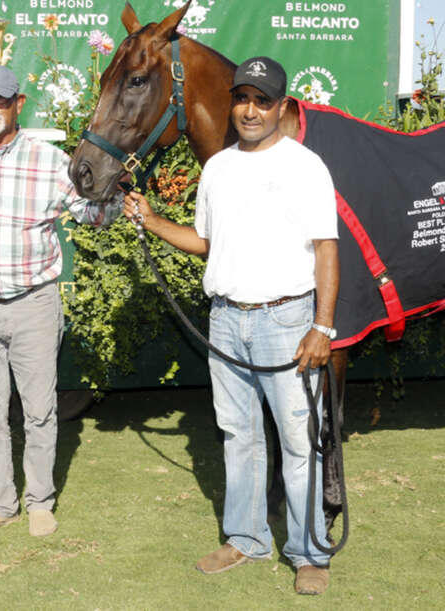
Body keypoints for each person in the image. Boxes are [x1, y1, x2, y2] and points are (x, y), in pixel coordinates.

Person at [123, 56, 340, 595]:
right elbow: (206, 244)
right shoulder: (217, 167)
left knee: (298, 442)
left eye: (262, 100)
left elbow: (327, 250)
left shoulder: (305, 165)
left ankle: (309, 552)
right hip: (226, 321)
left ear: (281, 107)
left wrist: (323, 327)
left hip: (288, 321)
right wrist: (151, 220)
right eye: (242, 97)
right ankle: (246, 539)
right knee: (238, 437)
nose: (249, 109)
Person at [0, 64, 122, 539]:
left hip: (33, 303)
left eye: (0, 99)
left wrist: (118, 197)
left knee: (38, 410)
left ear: (18, 104)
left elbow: (90, 214)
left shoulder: (51, 161)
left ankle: (39, 502)